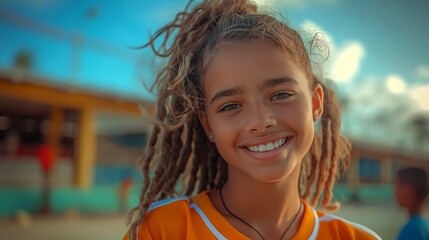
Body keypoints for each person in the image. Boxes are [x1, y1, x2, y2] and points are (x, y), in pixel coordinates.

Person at [124, 0, 381, 239]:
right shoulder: (163, 230)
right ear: (207, 125)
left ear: (315, 103)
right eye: (230, 106)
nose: (260, 121)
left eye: (281, 94)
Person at [395, 167, 429, 240]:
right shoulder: (425, 224)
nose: (395, 191)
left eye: (398, 185)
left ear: (409, 190)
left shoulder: (412, 230)